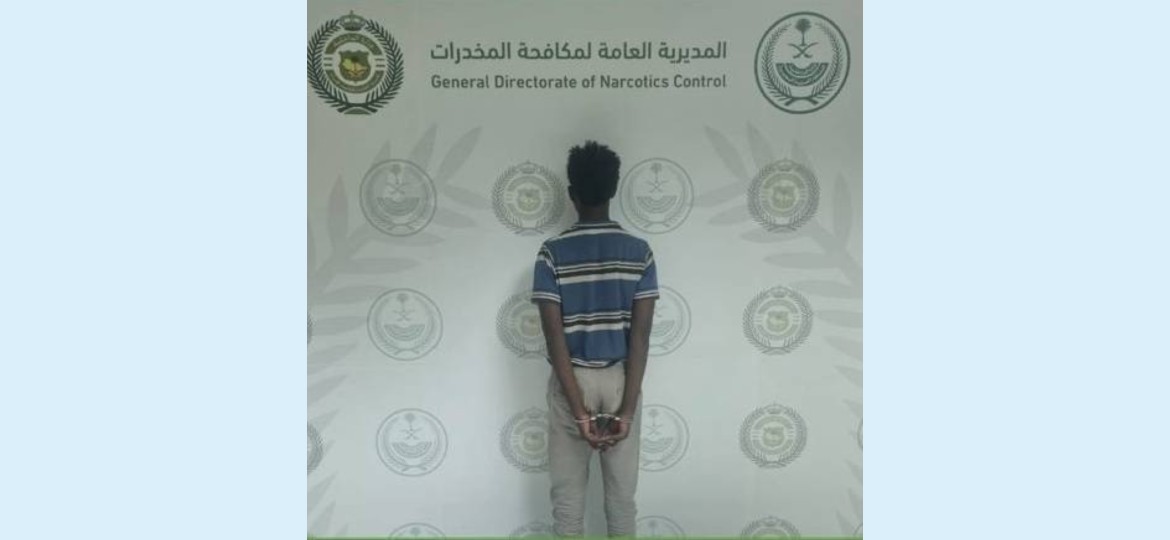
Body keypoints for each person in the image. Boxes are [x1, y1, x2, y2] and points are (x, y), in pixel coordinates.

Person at [531, 140, 658, 537]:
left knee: (568, 508)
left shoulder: (552, 253)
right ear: (615, 189)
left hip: (573, 382)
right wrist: (627, 410)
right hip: (621, 381)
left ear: (571, 193)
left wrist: (579, 413)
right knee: (622, 504)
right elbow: (640, 339)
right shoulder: (639, 252)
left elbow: (554, 339)